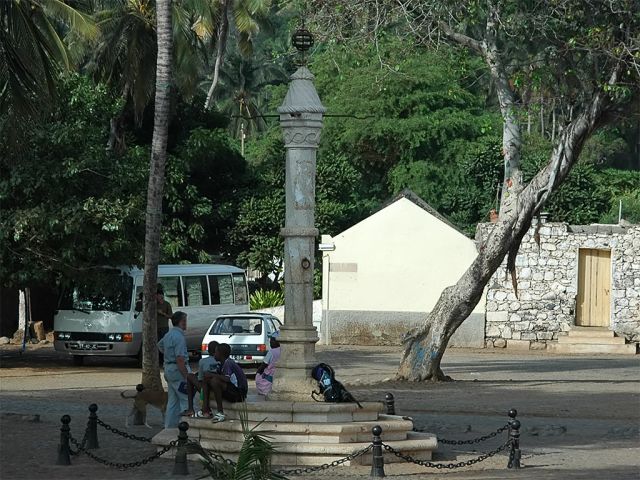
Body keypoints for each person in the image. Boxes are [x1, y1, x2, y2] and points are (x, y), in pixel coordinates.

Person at [199, 343, 247, 422]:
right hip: (231, 390)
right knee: (207, 378)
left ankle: (220, 412)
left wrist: (211, 375)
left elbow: (227, 379)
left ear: (220, 354)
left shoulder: (228, 363)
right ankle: (205, 409)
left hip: (239, 393)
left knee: (215, 381)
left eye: (216, 352)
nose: (214, 354)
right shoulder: (221, 364)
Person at [157, 311, 190, 428]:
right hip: (177, 370)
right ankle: (186, 427)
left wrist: (168, 354)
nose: (186, 323)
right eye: (185, 321)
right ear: (182, 322)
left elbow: (159, 345)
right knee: (186, 398)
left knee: (173, 401)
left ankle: (169, 427)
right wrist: (187, 376)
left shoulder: (168, 335)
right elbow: (180, 359)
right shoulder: (179, 337)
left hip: (169, 368)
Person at [183, 341, 220, 417]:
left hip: (206, 388)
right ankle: (204, 408)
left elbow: (200, 378)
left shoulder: (203, 361)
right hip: (218, 387)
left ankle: (190, 408)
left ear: (208, 350)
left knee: (190, 376)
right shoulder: (221, 360)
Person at [156, 286, 172, 365]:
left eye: (158, 296)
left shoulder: (167, 304)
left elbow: (171, 316)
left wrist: (162, 313)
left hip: (164, 327)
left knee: (164, 344)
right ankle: (158, 361)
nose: (158, 298)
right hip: (156, 328)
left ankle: (164, 361)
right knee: (157, 345)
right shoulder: (155, 304)